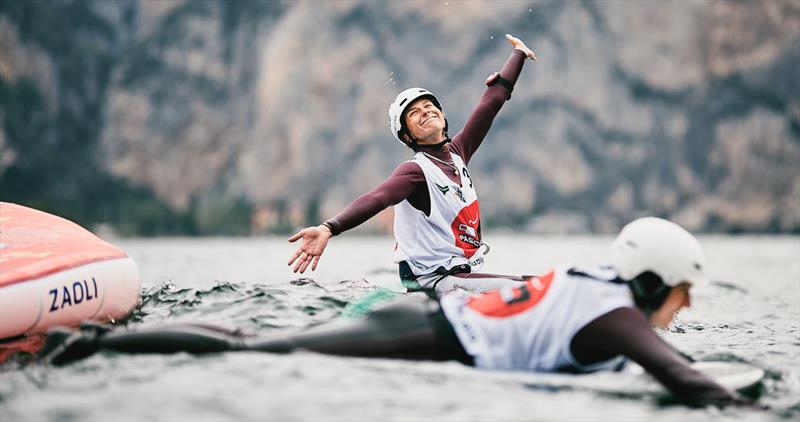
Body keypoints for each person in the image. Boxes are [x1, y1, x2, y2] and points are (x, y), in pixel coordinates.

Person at [39, 217, 749, 406]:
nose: (684, 308)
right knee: (252, 351)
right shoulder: (618, 317)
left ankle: (96, 344)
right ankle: (91, 349)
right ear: (653, 281)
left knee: (254, 340)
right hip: (421, 333)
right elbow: (682, 379)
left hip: (417, 318)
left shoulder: (599, 284)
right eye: (683, 292)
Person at [288, 34, 538, 295]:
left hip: (459, 279)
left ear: (442, 115)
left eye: (429, 106)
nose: (426, 111)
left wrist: (518, 53)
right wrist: (329, 228)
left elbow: (491, 102)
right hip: (431, 283)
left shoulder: (458, 154)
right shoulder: (415, 171)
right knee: (531, 288)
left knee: (536, 283)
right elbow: (377, 198)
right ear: (407, 136)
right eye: (414, 113)